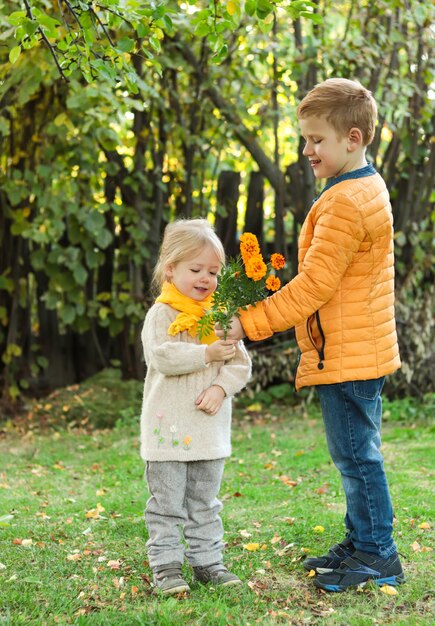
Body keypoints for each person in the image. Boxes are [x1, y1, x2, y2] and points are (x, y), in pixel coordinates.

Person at [217, 78, 404, 592]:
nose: (307, 150)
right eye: (305, 139)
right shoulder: (363, 185)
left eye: (316, 140)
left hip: (348, 351)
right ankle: (362, 538)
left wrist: (248, 323)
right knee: (355, 453)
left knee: (356, 457)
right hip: (357, 345)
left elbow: (314, 287)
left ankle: (377, 554)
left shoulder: (346, 200)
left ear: (354, 138)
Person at [140, 218, 252, 595]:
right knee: (167, 502)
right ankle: (167, 566)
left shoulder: (220, 317)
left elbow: (240, 363)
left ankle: (208, 562)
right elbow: (162, 356)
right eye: (196, 269)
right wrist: (205, 354)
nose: (206, 278)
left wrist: (221, 388)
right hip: (168, 430)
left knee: (205, 501)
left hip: (208, 430)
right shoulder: (163, 314)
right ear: (170, 269)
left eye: (213, 272)